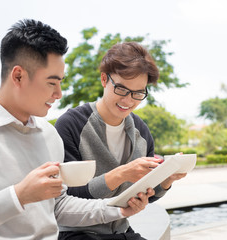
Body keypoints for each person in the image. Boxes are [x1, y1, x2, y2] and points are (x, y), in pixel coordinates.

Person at [0, 19, 154, 240]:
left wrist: (117, 210)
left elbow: (59, 206)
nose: (59, 93)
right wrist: (18, 196)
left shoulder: (49, 135)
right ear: (18, 76)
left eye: (61, 82)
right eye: (52, 83)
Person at [55, 42, 187, 240]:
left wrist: (166, 180)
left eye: (138, 93)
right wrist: (122, 174)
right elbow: (68, 196)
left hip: (121, 230)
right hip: (78, 233)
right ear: (103, 79)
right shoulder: (70, 124)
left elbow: (147, 194)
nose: (128, 100)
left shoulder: (140, 131)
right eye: (121, 89)